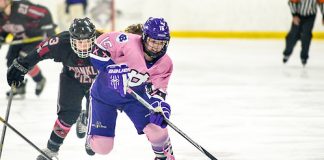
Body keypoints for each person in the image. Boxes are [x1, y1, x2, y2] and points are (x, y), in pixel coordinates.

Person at [6, 17, 99, 159]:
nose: (83, 46)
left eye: (86, 42)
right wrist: (22, 65)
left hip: (98, 80)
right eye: (79, 42)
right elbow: (39, 51)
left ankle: (87, 120)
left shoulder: (105, 43)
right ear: (72, 40)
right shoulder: (61, 42)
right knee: (67, 114)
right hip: (72, 78)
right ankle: (52, 149)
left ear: (93, 38)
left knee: (97, 112)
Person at [87, 17, 175, 160]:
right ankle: (90, 135)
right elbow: (97, 47)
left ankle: (163, 156)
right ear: (145, 37)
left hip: (134, 98)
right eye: (153, 41)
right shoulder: (126, 41)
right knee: (102, 147)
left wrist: (160, 107)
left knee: (158, 131)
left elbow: (158, 92)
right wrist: (110, 68)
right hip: (104, 95)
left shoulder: (165, 63)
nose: (156, 46)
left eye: (161, 43)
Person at [0, 0, 56, 97]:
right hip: (19, 37)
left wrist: (49, 29)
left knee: (23, 59)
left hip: (35, 37)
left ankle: (39, 79)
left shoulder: (22, 8)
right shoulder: (1, 15)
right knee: (11, 62)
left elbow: (44, 12)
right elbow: (4, 29)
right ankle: (19, 87)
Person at [282, 0, 324, 66]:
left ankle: (304, 57)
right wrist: (294, 15)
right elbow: (292, 2)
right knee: (292, 35)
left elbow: (322, 3)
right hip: (298, 15)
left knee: (306, 36)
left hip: (310, 16)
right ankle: (287, 53)